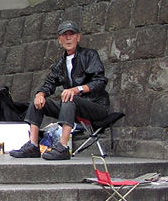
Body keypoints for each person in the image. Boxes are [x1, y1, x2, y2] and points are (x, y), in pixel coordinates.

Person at [10, 20, 110, 161]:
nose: (68, 38)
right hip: (72, 108)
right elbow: (49, 83)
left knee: (69, 98)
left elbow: (99, 82)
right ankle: (33, 144)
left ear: (78, 37)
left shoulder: (90, 55)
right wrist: (41, 94)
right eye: (64, 35)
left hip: (96, 106)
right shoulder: (60, 62)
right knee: (39, 100)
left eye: (72, 34)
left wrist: (76, 89)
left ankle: (63, 146)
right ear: (59, 40)